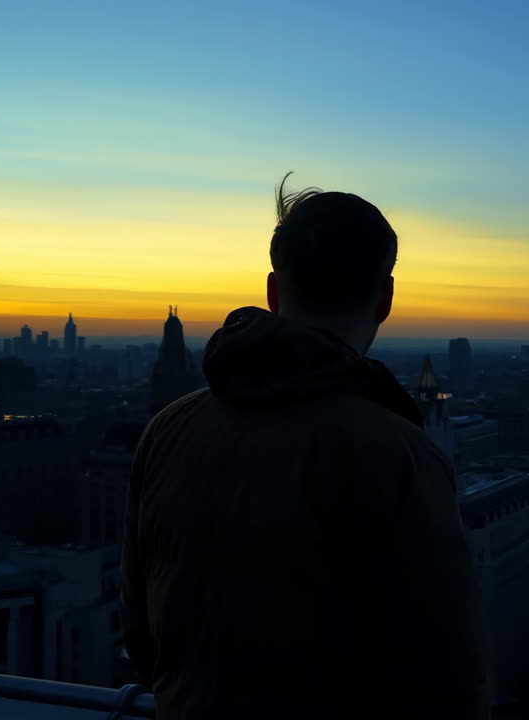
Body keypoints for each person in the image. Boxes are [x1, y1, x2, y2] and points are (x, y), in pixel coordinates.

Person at [121, 174, 490, 719]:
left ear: (273, 291)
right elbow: (449, 680)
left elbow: (143, 638)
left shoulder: (167, 430)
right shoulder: (399, 455)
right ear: (385, 299)